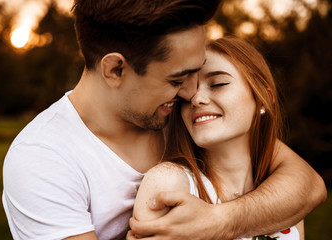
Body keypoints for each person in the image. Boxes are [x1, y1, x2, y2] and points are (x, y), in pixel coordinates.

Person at [2, 0, 326, 239]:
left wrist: (219, 221)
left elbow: (306, 184)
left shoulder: (181, 116)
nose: (191, 93)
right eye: (177, 79)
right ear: (116, 69)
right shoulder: (42, 159)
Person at [130, 37, 307, 239]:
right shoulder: (170, 183)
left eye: (218, 83)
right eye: (188, 95)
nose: (196, 99)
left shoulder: (285, 193)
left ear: (262, 99)